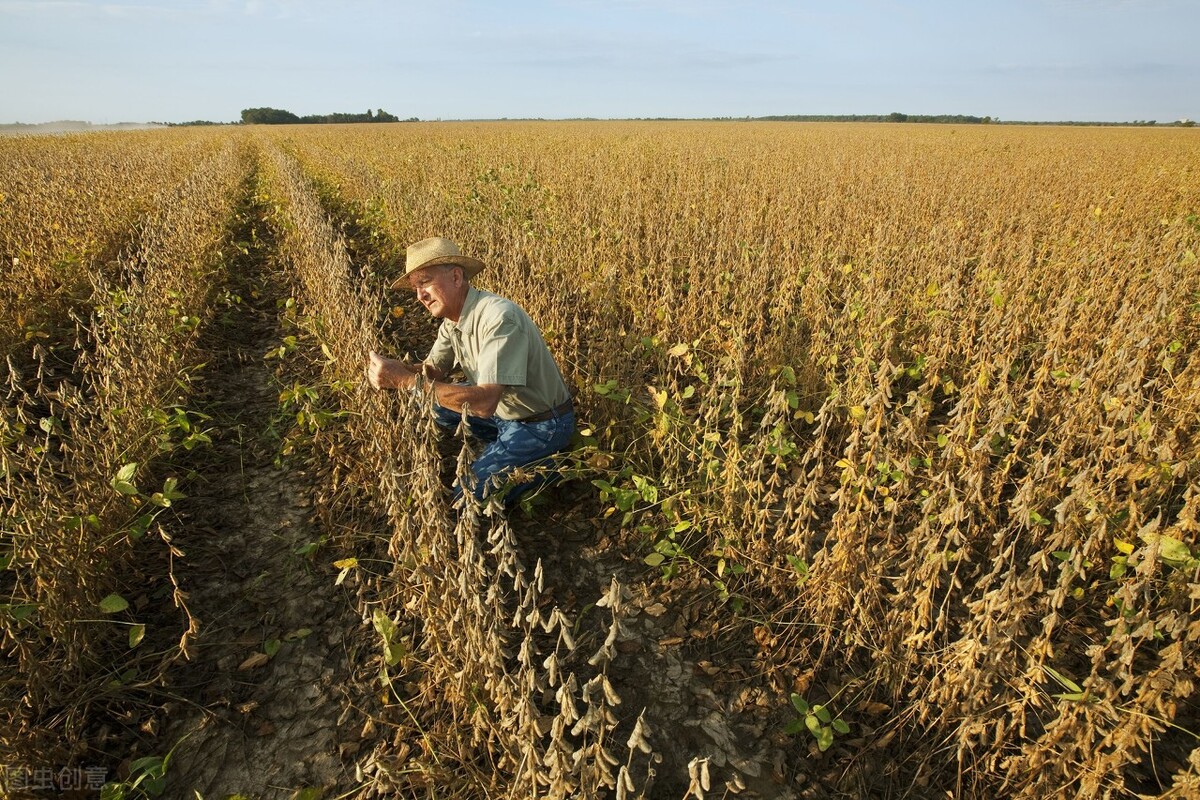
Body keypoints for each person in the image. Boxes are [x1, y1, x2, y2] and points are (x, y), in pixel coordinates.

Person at [367, 236, 575, 506]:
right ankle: (504, 448)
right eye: (415, 287)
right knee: (431, 405)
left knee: (465, 497)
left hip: (542, 424)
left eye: (425, 282)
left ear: (455, 277)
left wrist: (404, 380)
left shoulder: (498, 318)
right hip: (504, 414)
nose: (419, 296)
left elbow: (485, 402)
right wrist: (397, 370)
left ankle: (549, 466)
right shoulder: (452, 321)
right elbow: (432, 371)